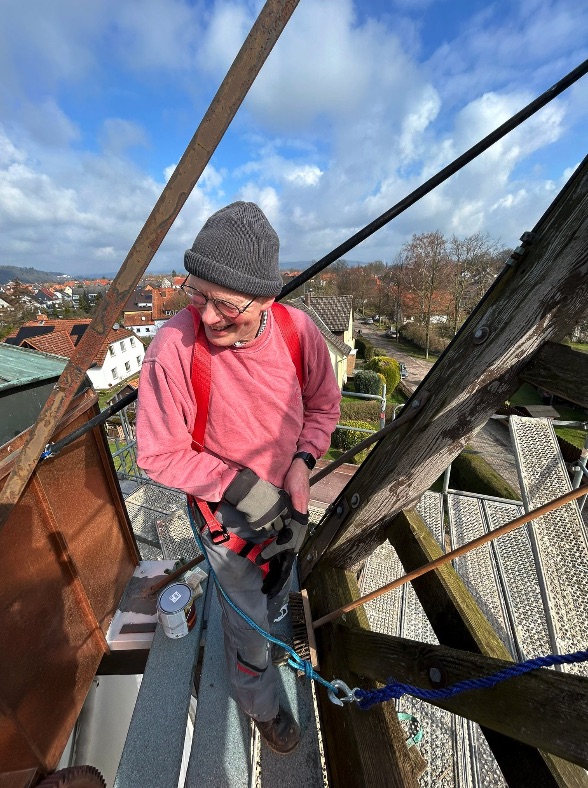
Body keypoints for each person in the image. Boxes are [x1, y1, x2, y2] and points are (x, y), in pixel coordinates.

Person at [136, 201, 340, 755]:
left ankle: (270, 617)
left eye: (224, 303)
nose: (205, 317)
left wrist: (302, 464)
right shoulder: (173, 352)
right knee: (248, 619)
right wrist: (239, 487)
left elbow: (324, 407)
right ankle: (262, 706)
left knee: (277, 581)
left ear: (268, 299)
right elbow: (157, 454)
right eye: (196, 295)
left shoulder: (300, 334)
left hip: (288, 502)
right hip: (223, 515)